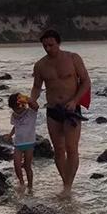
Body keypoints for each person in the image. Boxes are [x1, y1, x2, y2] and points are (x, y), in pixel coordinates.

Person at [29, 29, 91, 197]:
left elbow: (86, 81)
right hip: (52, 110)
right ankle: (66, 184)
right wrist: (32, 99)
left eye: (51, 45)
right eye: (45, 46)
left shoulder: (73, 58)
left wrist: (75, 101)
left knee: (71, 148)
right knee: (58, 150)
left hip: (71, 110)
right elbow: (36, 86)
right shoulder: (40, 65)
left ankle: (68, 187)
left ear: (58, 43)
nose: (48, 48)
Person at [7, 93, 37, 192]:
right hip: (18, 144)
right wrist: (10, 135)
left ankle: (30, 186)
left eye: (18, 108)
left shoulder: (31, 112)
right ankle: (22, 182)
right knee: (16, 165)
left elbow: (36, 105)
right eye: (14, 109)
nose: (17, 111)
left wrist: (26, 99)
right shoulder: (14, 115)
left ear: (23, 105)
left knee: (27, 166)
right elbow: (15, 126)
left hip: (29, 143)